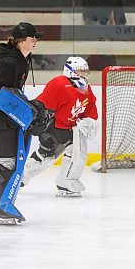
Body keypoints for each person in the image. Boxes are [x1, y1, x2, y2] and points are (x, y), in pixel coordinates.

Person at [0, 22, 45, 224]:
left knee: (8, 159)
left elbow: (11, 92)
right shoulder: (10, 63)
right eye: (32, 38)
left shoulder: (21, 59)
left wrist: (25, 107)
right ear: (22, 40)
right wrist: (20, 110)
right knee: (8, 160)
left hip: (1, 114)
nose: (35, 41)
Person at [21, 57, 98, 197]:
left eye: (85, 71)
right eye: (80, 71)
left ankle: (20, 177)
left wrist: (89, 121)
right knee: (75, 148)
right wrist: (41, 129)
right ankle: (66, 182)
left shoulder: (85, 88)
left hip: (67, 127)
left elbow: (90, 109)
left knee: (46, 155)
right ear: (71, 71)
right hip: (54, 126)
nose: (83, 74)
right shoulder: (59, 84)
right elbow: (41, 107)